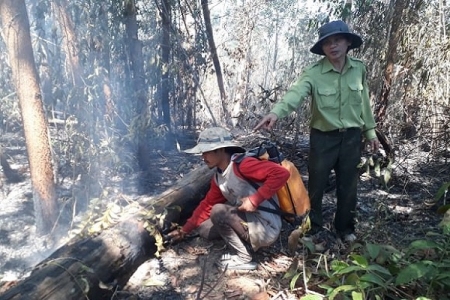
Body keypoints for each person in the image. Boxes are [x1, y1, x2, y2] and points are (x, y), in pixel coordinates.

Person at [254, 20, 379, 243]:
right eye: (327, 43)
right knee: (317, 184)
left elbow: (364, 103)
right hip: (323, 138)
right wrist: (275, 113)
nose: (333, 46)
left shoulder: (358, 68)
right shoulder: (313, 73)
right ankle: (313, 227)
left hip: (351, 137)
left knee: (348, 185)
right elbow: (295, 94)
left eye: (337, 40)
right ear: (322, 48)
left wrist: (370, 131)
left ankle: (345, 228)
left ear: (348, 42)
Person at [167, 127, 290, 270]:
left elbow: (281, 174)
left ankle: (243, 258)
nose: (203, 157)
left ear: (220, 150)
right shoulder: (219, 178)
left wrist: (254, 200)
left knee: (218, 211)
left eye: (206, 152)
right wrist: (184, 231)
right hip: (250, 219)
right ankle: (244, 240)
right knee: (204, 229)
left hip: (266, 226)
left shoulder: (244, 165)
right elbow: (206, 205)